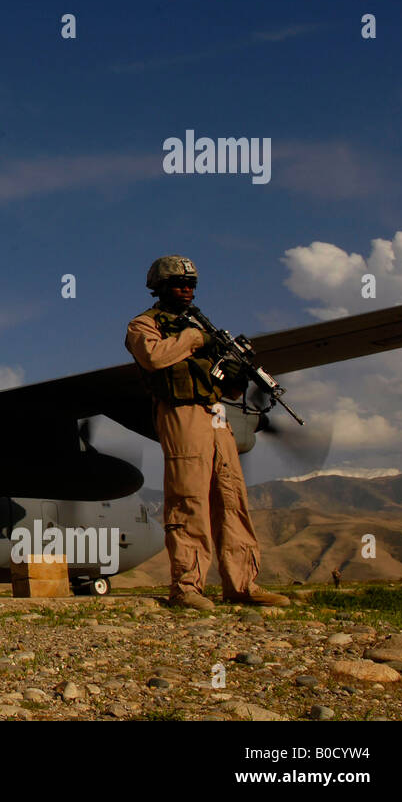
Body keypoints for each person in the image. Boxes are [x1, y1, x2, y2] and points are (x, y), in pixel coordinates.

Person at [125, 256, 290, 610]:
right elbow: (153, 358)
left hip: (216, 413)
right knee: (189, 498)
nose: (186, 290)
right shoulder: (144, 325)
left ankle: (242, 584)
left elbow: (228, 389)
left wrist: (235, 371)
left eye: (191, 285)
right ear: (160, 287)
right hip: (180, 411)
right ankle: (186, 587)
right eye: (178, 285)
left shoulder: (204, 328)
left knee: (232, 498)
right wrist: (193, 339)